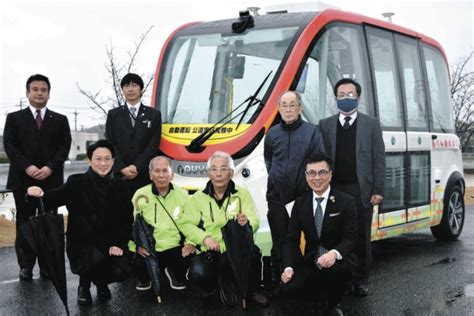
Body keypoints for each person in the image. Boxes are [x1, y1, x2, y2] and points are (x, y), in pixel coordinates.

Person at [27, 140, 133, 305]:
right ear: (89, 161)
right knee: (94, 257)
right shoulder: (75, 182)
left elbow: (127, 220)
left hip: (110, 243)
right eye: (98, 159)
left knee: (121, 269)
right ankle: (84, 285)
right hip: (83, 244)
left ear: (113, 161)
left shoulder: (122, 186)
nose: (103, 163)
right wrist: (37, 194)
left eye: (107, 159)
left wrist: (119, 244)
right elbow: (51, 199)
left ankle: (101, 282)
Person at [319, 78, 385, 296]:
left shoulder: (371, 124)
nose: (345, 98)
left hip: (361, 190)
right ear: (335, 98)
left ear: (358, 97)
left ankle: (361, 279)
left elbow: (379, 159)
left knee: (360, 237)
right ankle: (342, 278)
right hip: (335, 189)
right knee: (337, 236)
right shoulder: (325, 125)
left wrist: (378, 190)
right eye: (341, 94)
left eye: (350, 94)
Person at [178, 151, 269, 307]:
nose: (218, 174)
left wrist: (246, 222)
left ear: (231, 173)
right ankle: (213, 288)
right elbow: (186, 224)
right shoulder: (198, 197)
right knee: (198, 272)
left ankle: (252, 290)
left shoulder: (242, 194)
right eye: (214, 169)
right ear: (208, 173)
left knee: (253, 252)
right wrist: (204, 238)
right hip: (210, 250)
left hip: (235, 248)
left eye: (223, 169)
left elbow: (254, 221)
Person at [3, 74, 72, 281]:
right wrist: (28, 167)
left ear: (49, 94)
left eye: (44, 90)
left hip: (51, 181)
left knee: (48, 224)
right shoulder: (14, 118)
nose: (39, 93)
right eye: (35, 89)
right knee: (24, 223)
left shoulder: (60, 120)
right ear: (27, 93)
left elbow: (65, 146)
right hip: (22, 180)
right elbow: (9, 146)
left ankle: (47, 266)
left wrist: (50, 167)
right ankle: (26, 265)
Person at [280, 153, 357, 316]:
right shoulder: (299, 203)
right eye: (312, 173)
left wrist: (334, 254)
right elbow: (291, 240)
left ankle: (334, 303)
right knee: (287, 287)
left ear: (330, 174)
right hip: (310, 259)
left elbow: (351, 238)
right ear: (306, 176)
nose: (317, 178)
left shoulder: (346, 201)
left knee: (336, 274)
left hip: (336, 261)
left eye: (322, 172)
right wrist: (288, 267)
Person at [264, 90, 325, 283]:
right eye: (284, 105)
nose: (288, 109)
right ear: (279, 109)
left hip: (302, 196)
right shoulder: (272, 133)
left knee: (309, 239)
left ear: (300, 108)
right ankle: (278, 280)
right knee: (280, 240)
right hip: (277, 197)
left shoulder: (312, 132)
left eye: (292, 105)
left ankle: (308, 279)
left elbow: (319, 160)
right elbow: (269, 161)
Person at [130, 156, 195, 292]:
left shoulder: (182, 195)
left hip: (174, 245)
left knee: (187, 261)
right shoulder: (140, 194)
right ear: (150, 175)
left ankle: (171, 271)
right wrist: (136, 247)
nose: (161, 175)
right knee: (137, 263)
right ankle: (145, 277)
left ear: (172, 174)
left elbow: (191, 223)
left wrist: (190, 243)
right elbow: (133, 226)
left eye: (165, 171)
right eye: (157, 171)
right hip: (150, 247)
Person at [105, 73, 162, 194]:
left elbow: (153, 145)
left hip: (144, 174)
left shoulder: (154, 115)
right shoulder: (113, 115)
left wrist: (136, 166)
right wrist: (121, 168)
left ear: (141, 89)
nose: (130, 89)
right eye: (126, 86)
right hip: (120, 176)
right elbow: (110, 144)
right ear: (122, 90)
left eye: (134, 85)